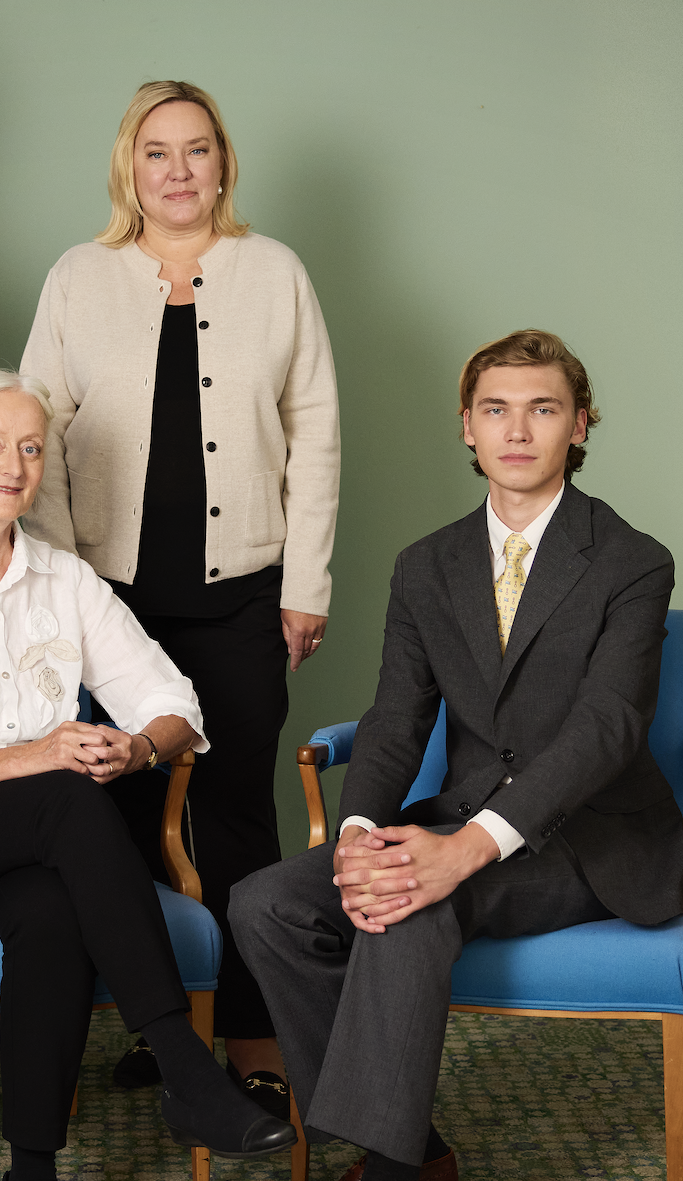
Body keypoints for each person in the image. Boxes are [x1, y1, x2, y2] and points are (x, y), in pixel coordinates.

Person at [0, 368, 297, 1180]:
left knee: (50, 910)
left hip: (23, 839)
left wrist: (136, 749)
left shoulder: (64, 579)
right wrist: (42, 757)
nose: (13, 465)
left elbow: (174, 704)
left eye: (32, 448)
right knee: (67, 801)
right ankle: (184, 1067)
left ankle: (31, 1167)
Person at [229, 329, 683, 1181]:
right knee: (266, 902)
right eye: (495, 409)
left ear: (579, 425)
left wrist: (466, 848)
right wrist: (356, 835)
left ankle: (391, 1169)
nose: (517, 430)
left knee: (409, 902)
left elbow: (607, 727)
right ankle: (412, 1146)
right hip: (456, 813)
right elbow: (396, 719)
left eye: (542, 409)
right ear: (466, 426)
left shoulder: (631, 561)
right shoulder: (424, 566)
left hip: (590, 840)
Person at [20, 80, 339, 1110]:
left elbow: (315, 434)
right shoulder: (78, 277)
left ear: (222, 163)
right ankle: (164, 1032)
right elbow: (38, 431)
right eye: (156, 152)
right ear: (130, 166)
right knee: (114, 820)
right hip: (107, 601)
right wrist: (58, 588)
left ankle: (252, 1039)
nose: (177, 171)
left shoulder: (275, 273)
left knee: (237, 817)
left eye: (197, 150)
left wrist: (305, 585)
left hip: (243, 596)